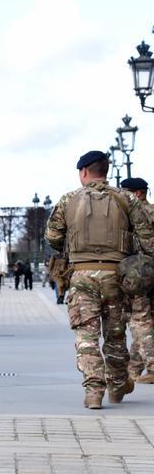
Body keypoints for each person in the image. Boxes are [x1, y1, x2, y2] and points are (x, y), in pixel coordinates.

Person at [45, 151, 154, 409]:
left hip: (81, 274)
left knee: (86, 335)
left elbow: (52, 237)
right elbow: (148, 239)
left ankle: (94, 391)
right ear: (106, 170)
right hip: (116, 273)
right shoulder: (127, 198)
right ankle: (117, 384)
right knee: (115, 334)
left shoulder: (68, 200)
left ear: (84, 172)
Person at [120, 177, 154, 384]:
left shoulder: (134, 215)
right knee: (146, 322)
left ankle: (152, 365)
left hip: (138, 273)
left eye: (127, 192)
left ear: (138, 193)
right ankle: (133, 370)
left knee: (139, 320)